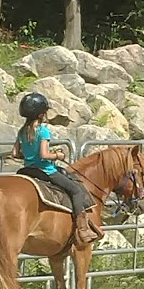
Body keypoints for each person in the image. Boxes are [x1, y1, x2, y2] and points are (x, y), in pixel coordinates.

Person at [12, 92, 99, 245]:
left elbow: (15, 153)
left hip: (27, 170)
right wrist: (57, 155)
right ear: (41, 114)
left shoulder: (22, 131)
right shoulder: (43, 131)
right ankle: (82, 229)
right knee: (76, 190)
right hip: (46, 171)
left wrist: (28, 157)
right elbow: (44, 154)